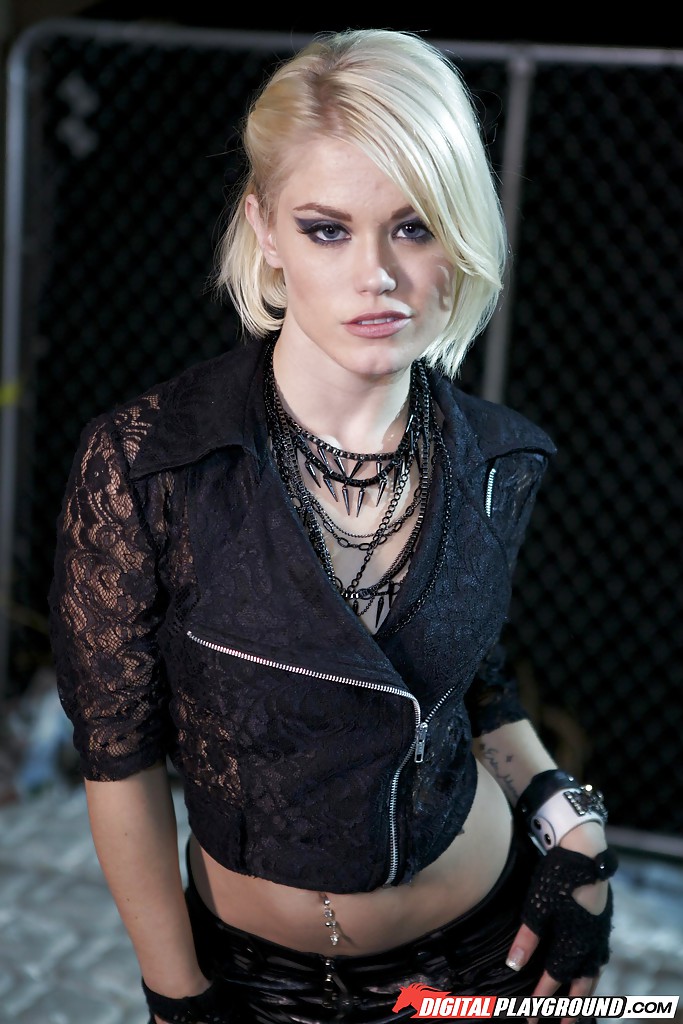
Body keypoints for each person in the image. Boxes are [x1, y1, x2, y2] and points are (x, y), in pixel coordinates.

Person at [48, 27, 617, 1024]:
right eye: (326, 229)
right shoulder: (147, 465)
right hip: (247, 973)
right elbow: (117, 755)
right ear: (264, 229)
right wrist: (176, 996)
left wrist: (573, 831)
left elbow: (472, 683)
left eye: (413, 227)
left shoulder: (501, 459)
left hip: (480, 952)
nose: (376, 275)